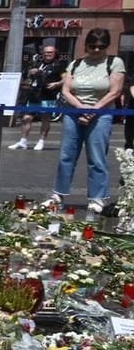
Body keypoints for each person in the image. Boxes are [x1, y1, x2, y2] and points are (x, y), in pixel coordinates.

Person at [51, 28, 123, 212]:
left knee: (97, 158)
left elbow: (114, 91)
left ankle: (97, 198)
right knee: (66, 156)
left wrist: (93, 110)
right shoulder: (76, 63)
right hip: (74, 112)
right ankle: (58, 194)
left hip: (101, 113)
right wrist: (79, 108)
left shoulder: (114, 62)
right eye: (93, 46)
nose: (97, 50)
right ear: (86, 45)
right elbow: (66, 90)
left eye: (101, 46)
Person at [15, 41, 63, 151]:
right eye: (46, 52)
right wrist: (31, 72)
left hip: (48, 96)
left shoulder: (59, 65)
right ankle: (23, 141)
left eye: (50, 52)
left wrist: (57, 84)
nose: (48, 54)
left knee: (45, 119)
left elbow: (66, 78)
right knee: (27, 118)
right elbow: (28, 74)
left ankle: (41, 141)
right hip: (34, 94)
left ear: (54, 53)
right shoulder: (38, 63)